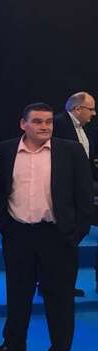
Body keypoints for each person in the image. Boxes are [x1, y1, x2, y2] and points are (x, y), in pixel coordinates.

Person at [0, 103, 92, 351]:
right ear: (23, 124)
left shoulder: (71, 151)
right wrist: (4, 226)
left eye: (48, 122)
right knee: (17, 294)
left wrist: (74, 235)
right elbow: (0, 190)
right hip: (17, 235)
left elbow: (84, 196)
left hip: (57, 237)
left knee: (60, 301)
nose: (45, 126)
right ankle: (14, 345)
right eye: (38, 122)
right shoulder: (6, 149)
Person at [53, 91, 98, 295]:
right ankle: (51, 284)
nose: (94, 113)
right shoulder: (58, 124)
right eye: (91, 109)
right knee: (62, 242)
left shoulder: (85, 131)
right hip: (64, 196)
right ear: (77, 108)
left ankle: (62, 284)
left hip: (82, 195)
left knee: (77, 235)